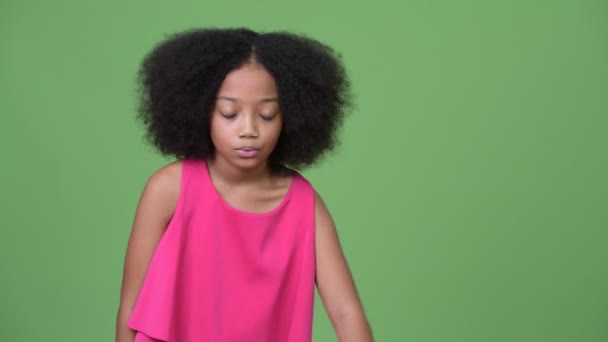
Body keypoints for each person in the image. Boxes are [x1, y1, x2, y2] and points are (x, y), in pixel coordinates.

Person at [115, 27, 373, 342]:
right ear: (201, 111)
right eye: (229, 113)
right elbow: (131, 305)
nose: (248, 129)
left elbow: (347, 313)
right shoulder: (168, 189)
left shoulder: (304, 203)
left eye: (266, 115)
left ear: (289, 116)